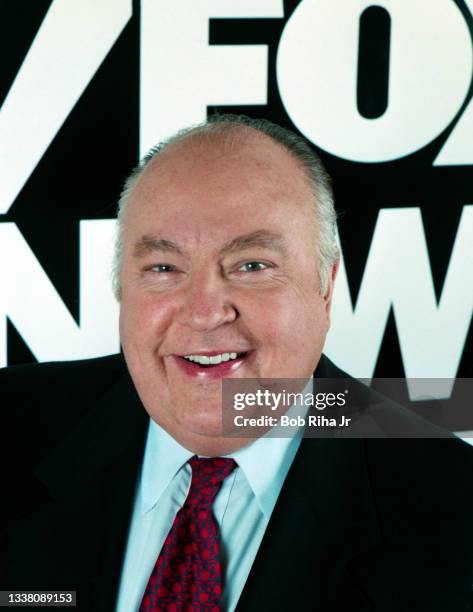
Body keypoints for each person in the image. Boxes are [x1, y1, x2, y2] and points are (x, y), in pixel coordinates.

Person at [1, 115, 473, 612]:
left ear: (326, 287)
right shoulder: (10, 427)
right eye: (164, 268)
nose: (204, 312)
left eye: (251, 266)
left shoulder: (455, 512)